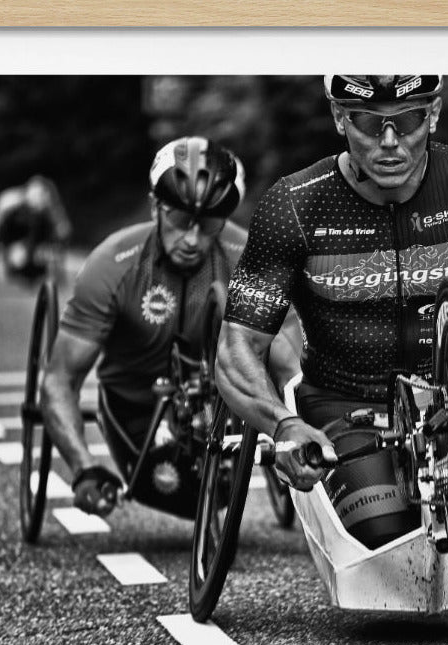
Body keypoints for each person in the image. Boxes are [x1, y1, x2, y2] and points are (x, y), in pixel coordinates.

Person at [217, 75, 448, 550]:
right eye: (369, 123)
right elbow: (237, 348)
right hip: (344, 400)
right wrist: (282, 425)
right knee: (390, 538)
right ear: (340, 117)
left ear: (432, 114)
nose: (389, 142)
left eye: (407, 120)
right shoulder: (294, 205)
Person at [41, 136, 300, 518]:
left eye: (209, 223)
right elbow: (59, 381)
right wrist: (83, 469)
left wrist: (295, 427)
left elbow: (293, 362)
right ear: (155, 207)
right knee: (166, 485)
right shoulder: (113, 263)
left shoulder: (246, 255)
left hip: (221, 406)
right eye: (180, 220)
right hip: (135, 405)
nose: (192, 239)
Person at [0, 175, 73, 282]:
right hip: (13, 237)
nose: (40, 201)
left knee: (34, 267)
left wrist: (55, 241)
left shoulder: (48, 204)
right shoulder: (9, 202)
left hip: (36, 241)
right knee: (19, 262)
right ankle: (18, 259)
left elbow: (63, 227)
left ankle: (31, 260)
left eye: (42, 197)